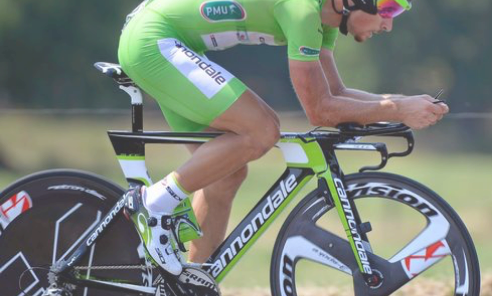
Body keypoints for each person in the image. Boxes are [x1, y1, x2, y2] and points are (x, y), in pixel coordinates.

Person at [118, 0, 448, 278]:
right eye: (387, 9)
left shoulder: (323, 18)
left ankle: (191, 290)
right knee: (262, 130)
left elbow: (337, 93)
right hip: (155, 41)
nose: (388, 25)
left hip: (168, 42)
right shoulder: (303, 10)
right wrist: (398, 109)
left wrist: (403, 104)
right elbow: (320, 111)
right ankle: (152, 202)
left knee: (226, 174)